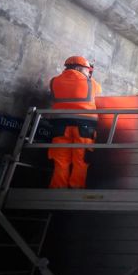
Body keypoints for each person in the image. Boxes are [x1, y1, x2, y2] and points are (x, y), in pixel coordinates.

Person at [47, 56, 101, 189]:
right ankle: (75, 189)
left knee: (60, 160)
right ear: (78, 68)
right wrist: (89, 77)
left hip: (60, 126)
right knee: (81, 160)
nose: (89, 72)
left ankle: (57, 190)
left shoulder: (54, 81)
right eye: (87, 70)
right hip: (84, 126)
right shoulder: (91, 83)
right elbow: (99, 93)